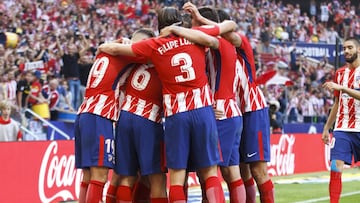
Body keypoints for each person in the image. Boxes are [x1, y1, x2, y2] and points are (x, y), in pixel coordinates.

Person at [98, 6, 238, 202]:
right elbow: (228, 28)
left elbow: (114, 49)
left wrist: (103, 47)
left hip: (175, 115)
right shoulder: (194, 35)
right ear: (180, 22)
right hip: (202, 109)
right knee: (210, 172)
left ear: (159, 25)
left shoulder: (154, 45)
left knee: (176, 177)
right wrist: (182, 30)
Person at [74, 29, 154, 203]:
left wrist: (104, 45)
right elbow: (153, 56)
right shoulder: (129, 52)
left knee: (87, 176)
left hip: (84, 112)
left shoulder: (109, 51)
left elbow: (100, 49)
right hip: (99, 114)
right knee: (99, 176)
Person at [180, 3, 245, 201]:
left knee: (208, 172)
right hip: (231, 111)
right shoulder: (227, 45)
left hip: (219, 111)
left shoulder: (217, 43)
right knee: (231, 173)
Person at [114, 62, 167, 202]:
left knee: (127, 176)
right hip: (148, 119)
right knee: (158, 178)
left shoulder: (134, 64)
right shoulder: (164, 65)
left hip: (124, 116)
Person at [322, 37, 360, 203]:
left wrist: (343, 88)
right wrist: (326, 128)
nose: (346, 51)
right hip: (343, 129)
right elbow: (337, 103)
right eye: (344, 48)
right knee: (335, 167)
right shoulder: (339, 74)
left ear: (358, 50)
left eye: (350, 48)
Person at [57, 33, 90, 110]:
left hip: (77, 79)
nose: (71, 50)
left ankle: (75, 110)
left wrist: (84, 37)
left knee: (77, 98)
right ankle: (71, 109)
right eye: (69, 48)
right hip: (70, 79)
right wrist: (57, 39)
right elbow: (59, 48)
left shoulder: (76, 56)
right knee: (72, 97)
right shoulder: (65, 57)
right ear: (67, 49)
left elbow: (87, 47)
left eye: (72, 48)